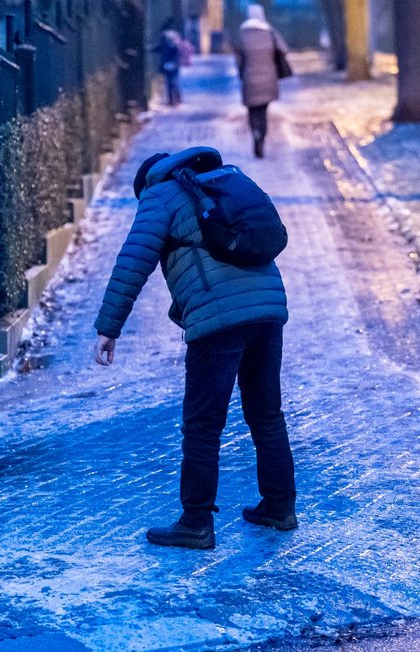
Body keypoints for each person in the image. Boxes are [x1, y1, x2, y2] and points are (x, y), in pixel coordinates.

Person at [93, 147, 297, 550]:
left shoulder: (159, 195)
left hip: (219, 322)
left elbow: (133, 260)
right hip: (268, 310)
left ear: (147, 182)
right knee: (266, 413)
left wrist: (108, 327)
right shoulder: (222, 180)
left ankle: (196, 522)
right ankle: (280, 506)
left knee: (203, 424)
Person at [234, 4, 290, 158]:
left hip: (249, 80)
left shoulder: (243, 34)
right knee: (263, 112)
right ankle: (262, 141)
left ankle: (256, 135)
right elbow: (283, 49)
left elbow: (238, 58)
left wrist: (242, 72)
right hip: (268, 79)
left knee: (252, 112)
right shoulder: (269, 32)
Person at [153, 20, 183, 106]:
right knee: (172, 81)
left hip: (170, 63)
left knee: (171, 82)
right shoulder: (173, 38)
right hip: (172, 63)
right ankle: (175, 99)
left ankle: (173, 100)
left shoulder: (169, 39)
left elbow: (170, 50)